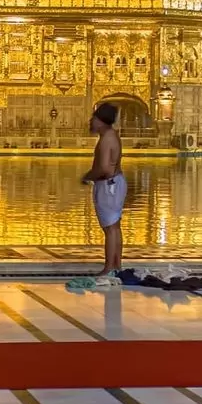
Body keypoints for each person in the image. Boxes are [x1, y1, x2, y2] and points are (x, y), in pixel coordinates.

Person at [82, 102, 126, 275]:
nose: (90, 122)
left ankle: (109, 268)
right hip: (112, 184)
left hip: (109, 185)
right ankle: (116, 266)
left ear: (100, 120)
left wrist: (88, 176)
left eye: (93, 118)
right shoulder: (109, 135)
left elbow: (105, 169)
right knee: (114, 226)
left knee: (110, 228)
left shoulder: (108, 138)